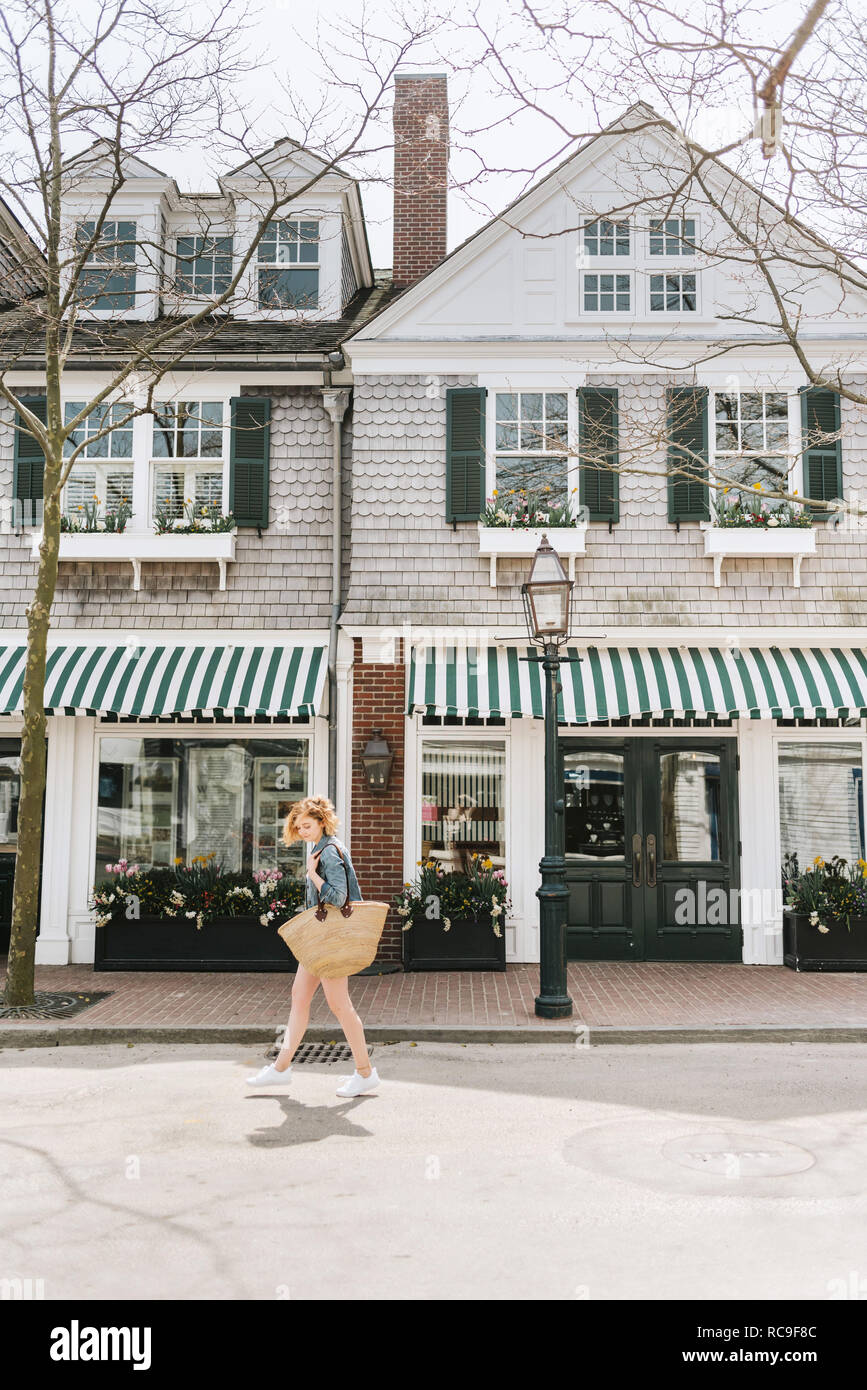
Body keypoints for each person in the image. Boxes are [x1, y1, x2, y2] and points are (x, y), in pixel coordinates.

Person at [246, 794, 380, 1097]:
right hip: (319, 940)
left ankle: (365, 1072)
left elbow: (338, 897)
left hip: (329, 940)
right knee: (299, 997)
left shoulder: (329, 852)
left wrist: (312, 876)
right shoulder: (322, 849)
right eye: (299, 827)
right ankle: (280, 1069)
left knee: (339, 1005)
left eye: (307, 825)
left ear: (321, 822)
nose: (303, 832)